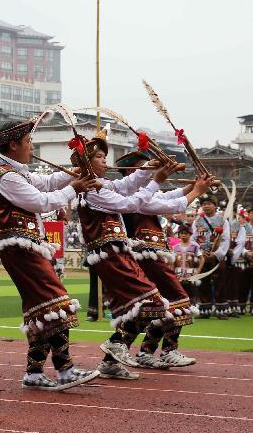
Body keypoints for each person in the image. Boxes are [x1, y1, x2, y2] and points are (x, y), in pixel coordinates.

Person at [0, 119, 100, 391]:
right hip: (22, 249)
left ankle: (35, 372)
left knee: (41, 309)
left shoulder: (15, 172)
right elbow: (40, 201)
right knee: (56, 303)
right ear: (13, 145)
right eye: (28, 142)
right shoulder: (8, 176)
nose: (32, 146)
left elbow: (47, 181)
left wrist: (72, 173)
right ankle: (65, 370)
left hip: (27, 247)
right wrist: (76, 187)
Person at [73, 128, 184, 379]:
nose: (105, 161)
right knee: (151, 301)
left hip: (117, 253)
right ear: (87, 162)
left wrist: (148, 170)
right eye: (100, 157)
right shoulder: (93, 189)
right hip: (109, 254)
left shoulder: (102, 184)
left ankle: (110, 361)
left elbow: (125, 185)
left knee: (142, 305)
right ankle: (116, 345)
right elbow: (130, 203)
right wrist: (156, 178)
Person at [116, 149, 210, 368]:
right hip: (144, 254)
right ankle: (167, 350)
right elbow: (168, 206)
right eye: (146, 166)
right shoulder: (132, 195)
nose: (151, 169)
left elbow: (169, 196)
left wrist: (194, 186)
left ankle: (143, 352)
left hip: (153, 252)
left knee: (156, 305)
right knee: (178, 299)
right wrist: (196, 192)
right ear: (132, 171)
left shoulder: (144, 191)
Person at [191, 194, 232, 319]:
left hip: (217, 256)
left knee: (220, 282)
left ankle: (221, 310)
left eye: (209, 203)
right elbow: (193, 238)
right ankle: (205, 309)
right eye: (204, 204)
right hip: (202, 256)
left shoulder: (222, 220)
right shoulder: (197, 221)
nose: (206, 206)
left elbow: (226, 239)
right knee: (202, 282)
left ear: (215, 206)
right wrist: (200, 252)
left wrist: (217, 253)